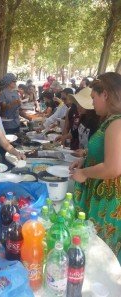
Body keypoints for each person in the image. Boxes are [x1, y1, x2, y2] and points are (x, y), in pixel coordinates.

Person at [70, 72, 121, 264]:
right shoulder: (108, 120)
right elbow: (104, 155)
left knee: (102, 253)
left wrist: (83, 173)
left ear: (105, 95)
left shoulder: (117, 123)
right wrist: (85, 161)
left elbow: (113, 167)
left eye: (93, 98)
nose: (92, 103)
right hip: (100, 194)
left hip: (108, 200)